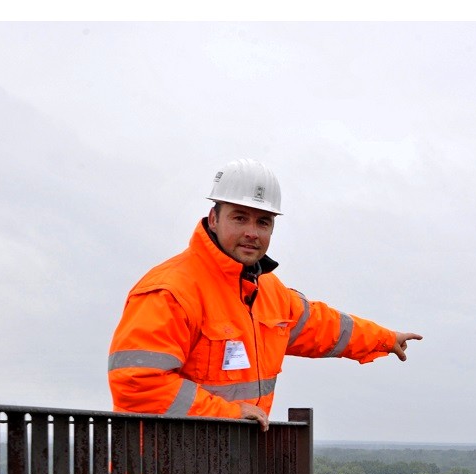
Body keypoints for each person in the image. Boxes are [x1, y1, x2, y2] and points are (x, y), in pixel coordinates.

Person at [108, 158, 420, 429]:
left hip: (229, 465)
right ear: (214, 219)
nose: (252, 233)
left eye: (263, 222)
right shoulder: (170, 290)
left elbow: (324, 326)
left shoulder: (268, 291)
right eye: (239, 217)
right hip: (162, 471)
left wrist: (384, 339)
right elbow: (137, 384)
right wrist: (228, 414)